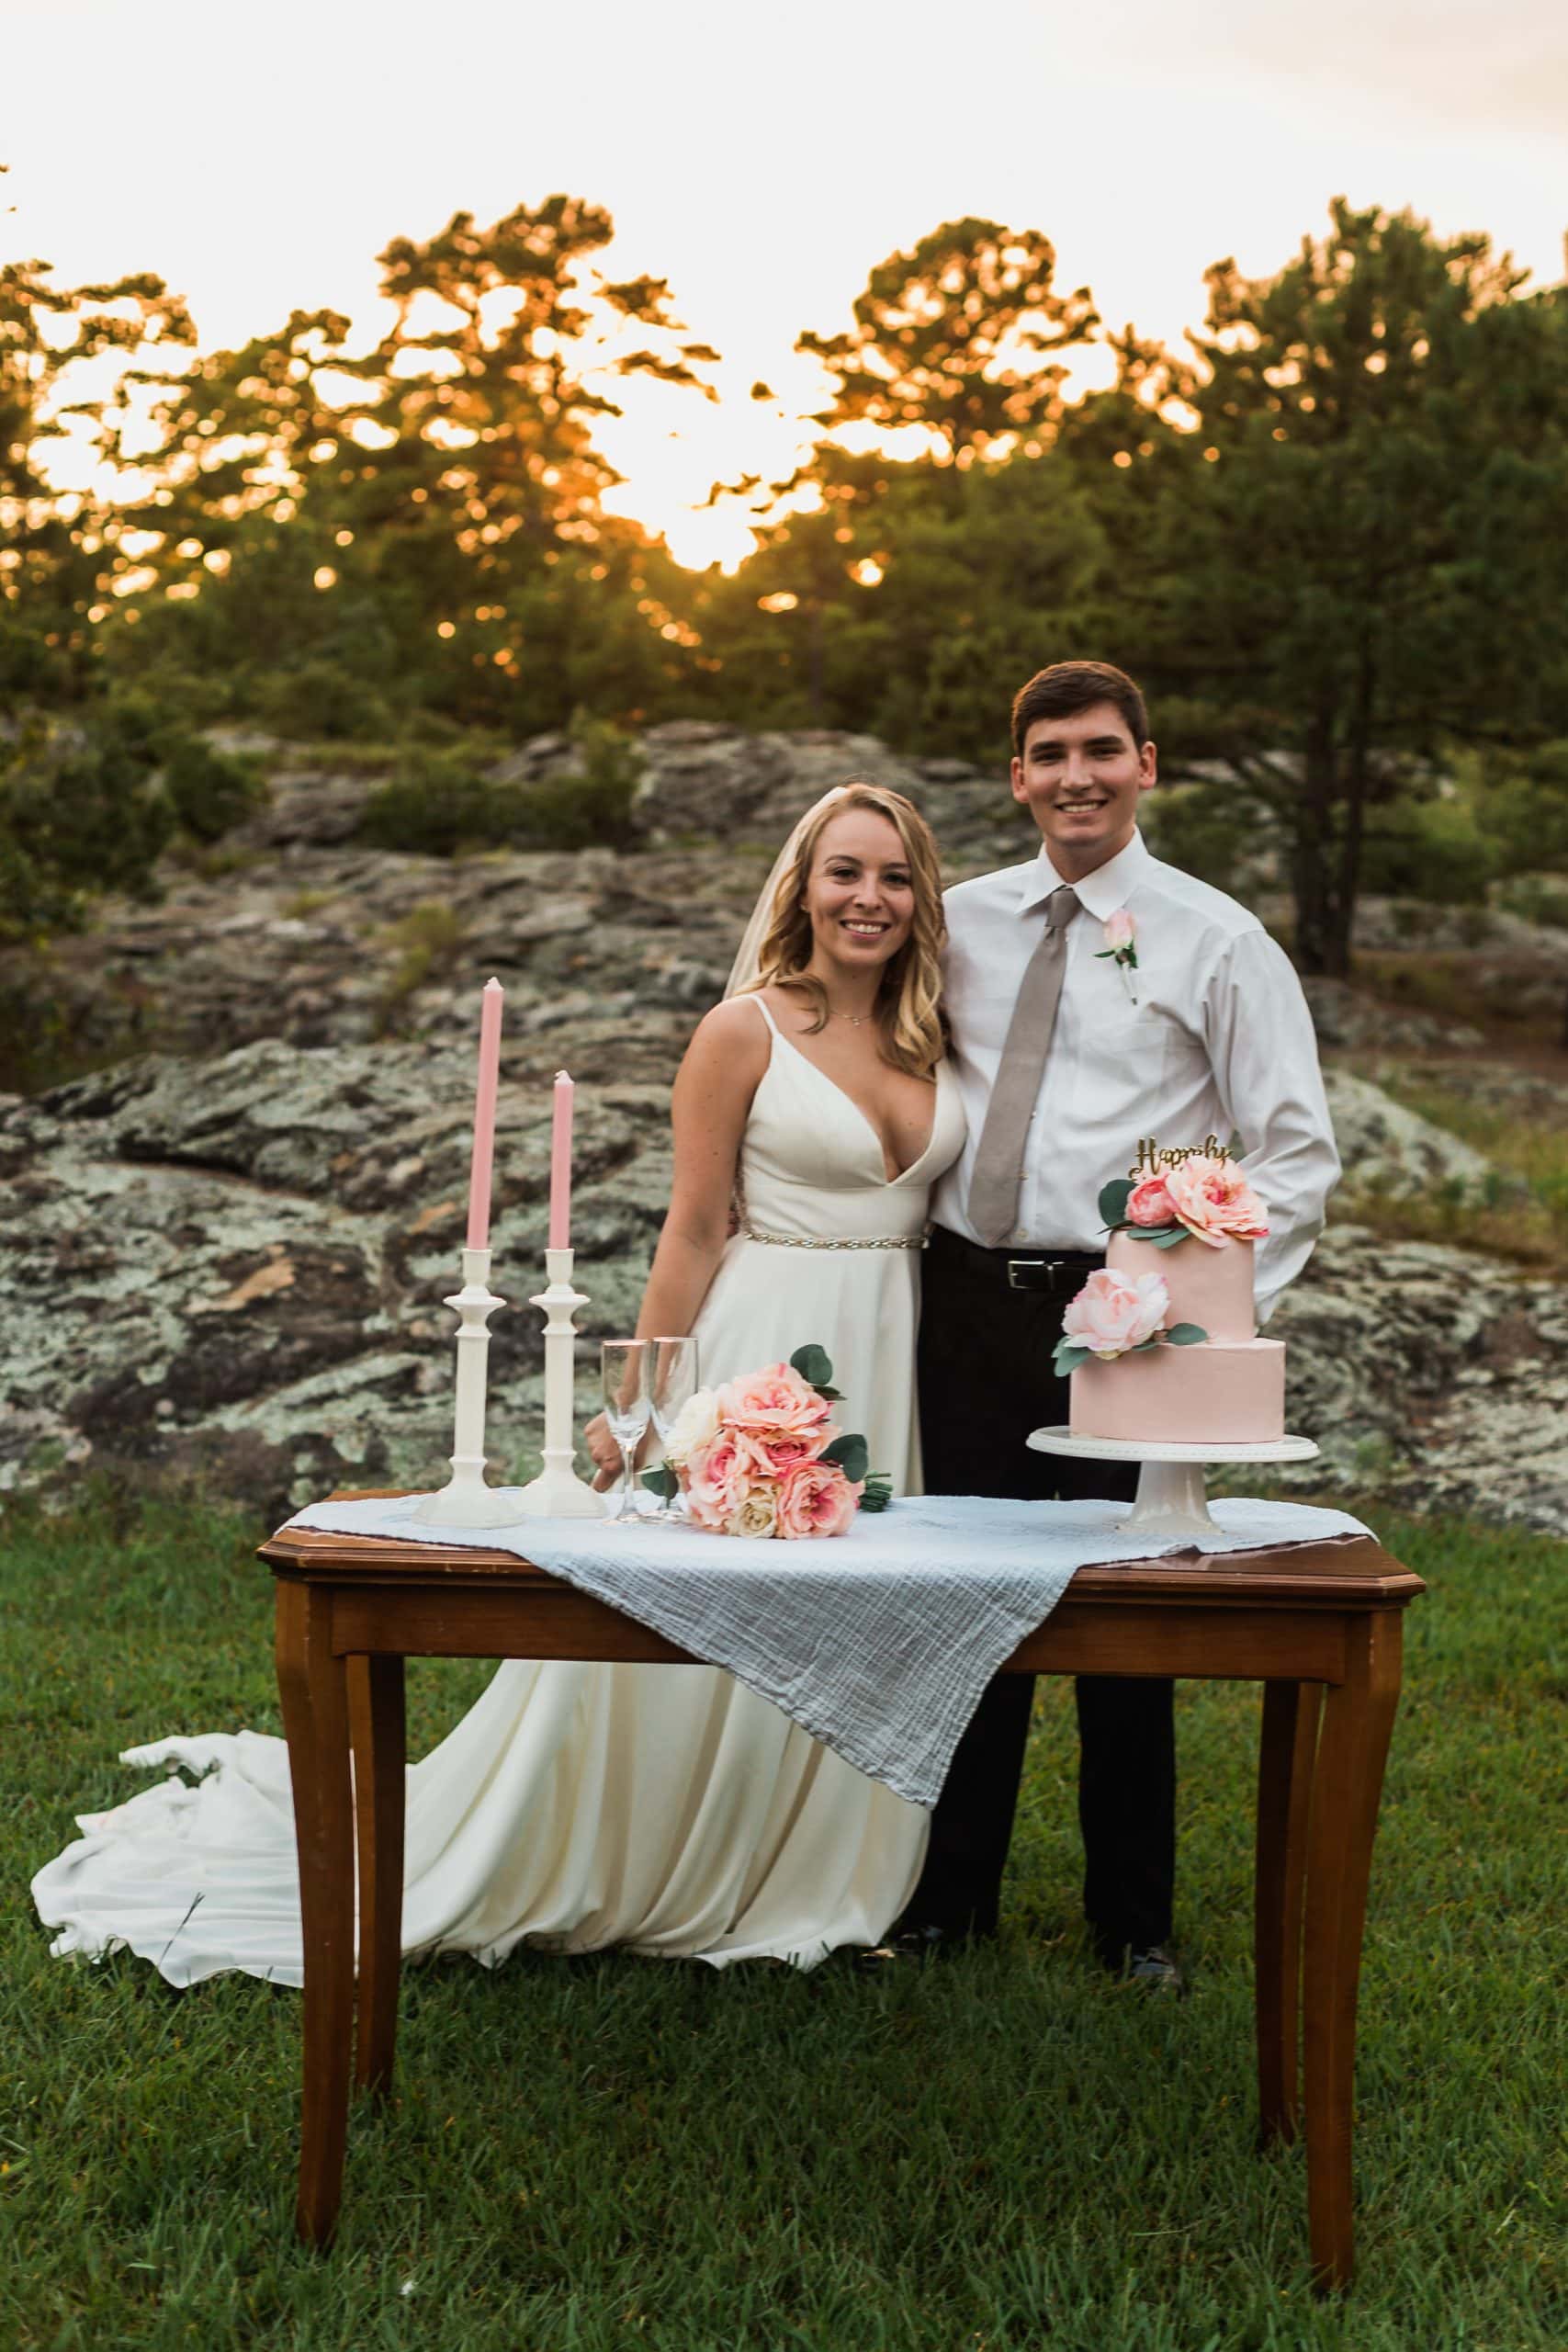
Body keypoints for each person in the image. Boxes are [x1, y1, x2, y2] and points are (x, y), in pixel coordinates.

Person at [34, 783, 965, 1983]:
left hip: (893, 1351)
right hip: (763, 1346)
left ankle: (819, 1865)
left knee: (854, 1612)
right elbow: (690, 1232)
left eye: (893, 877)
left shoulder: (937, 1038)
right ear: (804, 887)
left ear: (920, 897)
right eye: (845, 873)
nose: (869, 899)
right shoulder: (745, 1030)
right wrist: (639, 1406)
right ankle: (656, 1852)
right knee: (705, 1608)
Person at [897, 660, 1339, 1987]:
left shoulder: (1217, 939)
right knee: (958, 1597)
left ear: (1149, 763)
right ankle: (942, 1905)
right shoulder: (959, 920)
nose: (1075, 775)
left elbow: (1294, 1151)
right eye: (1048, 753)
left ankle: (1133, 1923)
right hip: (963, 1297)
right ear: (1017, 775)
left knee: (1126, 1615)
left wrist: (1192, 1310)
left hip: (1130, 1309)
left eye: (1101, 749)